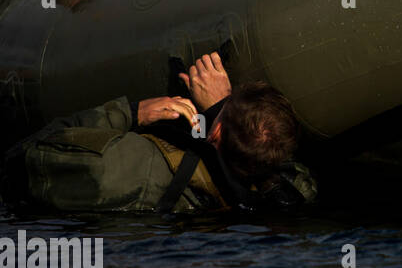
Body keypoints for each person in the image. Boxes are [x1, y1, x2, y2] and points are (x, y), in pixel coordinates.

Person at [1, 52, 316, 213]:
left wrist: (132, 112)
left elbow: (21, 158)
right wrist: (219, 111)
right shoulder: (294, 189)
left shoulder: (129, 165)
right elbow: (277, 157)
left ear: (216, 132)